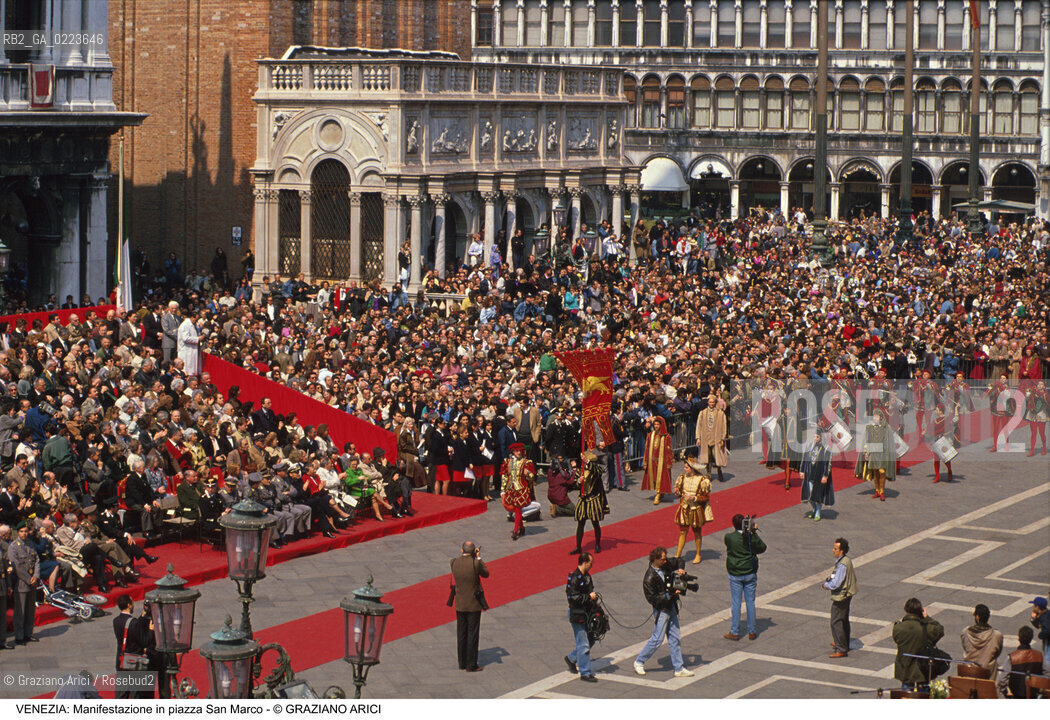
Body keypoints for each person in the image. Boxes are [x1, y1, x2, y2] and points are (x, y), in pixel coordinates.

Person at [633, 546, 694, 677]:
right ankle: (639, 661)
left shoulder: (665, 565)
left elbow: (678, 560)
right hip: (662, 610)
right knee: (657, 638)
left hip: (671, 607)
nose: (665, 561)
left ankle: (678, 667)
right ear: (656, 559)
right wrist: (670, 594)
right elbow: (652, 599)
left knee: (675, 637)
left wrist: (681, 569)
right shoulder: (649, 578)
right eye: (663, 559)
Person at [724, 513, 766, 641]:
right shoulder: (751, 537)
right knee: (750, 602)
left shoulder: (729, 537)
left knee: (736, 603)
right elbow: (762, 548)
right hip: (750, 572)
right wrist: (753, 533)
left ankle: (735, 631)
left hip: (735, 573)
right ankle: (752, 631)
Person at [450, 540, 489, 672]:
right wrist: (478, 557)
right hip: (473, 604)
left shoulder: (453, 562)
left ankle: (462, 662)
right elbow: (486, 573)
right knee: (472, 633)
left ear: (461, 550)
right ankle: (471, 664)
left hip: (460, 603)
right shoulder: (475, 563)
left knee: (461, 633)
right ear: (473, 551)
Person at [892, 597, 945, 691]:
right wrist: (927, 618)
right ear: (920, 611)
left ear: (906, 610)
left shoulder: (898, 628)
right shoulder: (926, 628)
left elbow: (896, 639)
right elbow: (940, 630)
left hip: (906, 671)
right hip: (922, 671)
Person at [672, 449, 713, 564]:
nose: (684, 469)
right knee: (682, 532)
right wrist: (677, 491)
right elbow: (679, 492)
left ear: (692, 469)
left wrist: (694, 498)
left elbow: (705, 497)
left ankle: (698, 554)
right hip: (684, 508)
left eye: (686, 467)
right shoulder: (682, 478)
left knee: (697, 532)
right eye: (684, 467)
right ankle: (678, 554)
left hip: (695, 509)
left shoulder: (702, 480)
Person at [565, 551, 598, 683]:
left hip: (587, 612)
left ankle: (571, 658)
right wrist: (588, 597)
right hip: (577, 613)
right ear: (584, 563)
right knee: (583, 643)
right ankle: (585, 672)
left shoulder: (587, 576)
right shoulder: (574, 578)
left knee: (591, 639)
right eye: (591, 563)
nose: (592, 565)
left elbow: (590, 589)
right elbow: (572, 598)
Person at [822, 537, 857, 658]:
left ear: (841, 551)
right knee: (843, 620)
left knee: (836, 622)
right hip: (847, 594)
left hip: (841, 596)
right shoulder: (845, 560)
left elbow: (836, 583)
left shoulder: (842, 564)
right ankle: (843, 642)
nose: (833, 550)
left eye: (835, 548)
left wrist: (826, 585)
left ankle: (841, 647)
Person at [7, 519, 40, 645]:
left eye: (26, 531)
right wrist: (28, 579)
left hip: (32, 581)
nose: (24, 533)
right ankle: (19, 636)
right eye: (22, 531)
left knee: (30, 610)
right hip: (21, 582)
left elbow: (36, 560)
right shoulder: (13, 547)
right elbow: (16, 567)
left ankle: (28, 633)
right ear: (17, 532)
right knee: (20, 611)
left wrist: (36, 576)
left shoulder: (30, 544)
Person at [570, 450, 608, 555]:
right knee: (580, 523)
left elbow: (598, 472)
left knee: (595, 523)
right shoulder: (580, 470)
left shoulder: (595, 470)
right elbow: (574, 484)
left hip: (593, 498)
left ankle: (597, 544)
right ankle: (578, 546)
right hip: (583, 499)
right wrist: (579, 482)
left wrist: (587, 462)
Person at [997, 625, 1049, 698]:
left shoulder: (1012, 657)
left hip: (1016, 695)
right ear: (1031, 639)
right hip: (1034, 695)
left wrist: (1006, 692)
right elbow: (1047, 674)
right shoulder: (1039, 656)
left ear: (1019, 638)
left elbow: (1002, 679)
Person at [856, 409, 895, 501]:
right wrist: (866, 452)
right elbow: (867, 441)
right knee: (875, 472)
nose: (874, 418)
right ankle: (877, 490)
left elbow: (888, 442)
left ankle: (882, 492)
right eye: (873, 416)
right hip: (873, 454)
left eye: (876, 416)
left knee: (882, 472)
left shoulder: (886, 427)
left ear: (881, 417)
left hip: (882, 454)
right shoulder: (870, 427)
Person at [500, 443, 534, 541]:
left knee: (518, 508)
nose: (519, 452)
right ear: (513, 452)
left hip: (521, 488)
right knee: (513, 507)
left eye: (520, 451)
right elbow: (504, 476)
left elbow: (532, 477)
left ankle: (515, 530)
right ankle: (522, 527)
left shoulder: (526, 462)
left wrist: (528, 473)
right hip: (510, 488)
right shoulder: (507, 462)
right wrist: (502, 490)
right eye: (516, 451)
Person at [960, 603, 1003, 681]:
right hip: (988, 676)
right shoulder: (997, 635)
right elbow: (997, 652)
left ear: (977, 617)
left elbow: (965, 647)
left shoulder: (965, 632)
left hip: (968, 673)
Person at [800, 426, 835, 519]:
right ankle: (814, 508)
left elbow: (828, 464)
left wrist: (825, 476)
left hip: (819, 475)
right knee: (810, 494)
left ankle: (818, 512)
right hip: (810, 473)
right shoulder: (809, 445)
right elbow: (804, 458)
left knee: (818, 494)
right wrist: (802, 471)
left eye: (817, 437)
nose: (815, 438)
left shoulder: (826, 448)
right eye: (814, 436)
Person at [694, 394, 728, 482]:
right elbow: (699, 425)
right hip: (706, 438)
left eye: (713, 402)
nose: (711, 403)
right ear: (707, 402)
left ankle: (719, 470)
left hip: (716, 438)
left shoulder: (720, 413)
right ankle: (708, 473)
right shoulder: (703, 413)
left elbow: (724, 426)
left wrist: (723, 438)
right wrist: (698, 438)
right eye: (710, 402)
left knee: (716, 456)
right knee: (707, 456)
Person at [641, 416, 673, 504]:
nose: (656, 426)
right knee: (654, 478)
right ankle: (660, 492)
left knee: (661, 478)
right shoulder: (650, 435)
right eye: (654, 424)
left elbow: (669, 451)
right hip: (652, 461)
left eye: (657, 424)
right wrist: (645, 461)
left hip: (662, 462)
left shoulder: (666, 437)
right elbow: (647, 449)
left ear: (661, 425)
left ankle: (658, 494)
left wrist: (669, 462)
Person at [113, 594, 137, 699]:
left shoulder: (115, 621)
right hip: (132, 661)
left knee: (121, 694)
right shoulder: (134, 623)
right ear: (129, 605)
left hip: (121, 659)